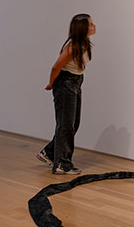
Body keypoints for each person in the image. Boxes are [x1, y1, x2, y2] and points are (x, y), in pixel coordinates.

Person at [36, 13, 96, 174]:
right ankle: (62, 164)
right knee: (65, 126)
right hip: (65, 83)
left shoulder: (84, 43)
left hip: (76, 82)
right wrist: (50, 84)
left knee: (73, 124)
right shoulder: (72, 46)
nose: (94, 26)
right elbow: (56, 67)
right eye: (91, 24)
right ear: (82, 27)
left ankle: (48, 153)